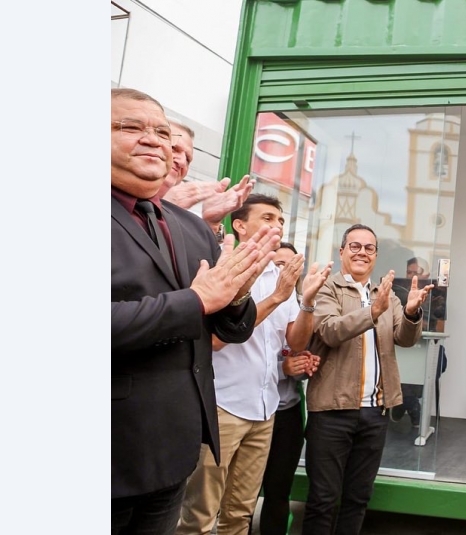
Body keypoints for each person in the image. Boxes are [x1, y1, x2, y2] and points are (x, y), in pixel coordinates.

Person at [112, 87, 278, 534]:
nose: (152, 140)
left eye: (162, 132)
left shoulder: (189, 225)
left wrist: (238, 291)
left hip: (176, 450)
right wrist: (199, 299)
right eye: (130, 127)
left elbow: (230, 326)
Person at [177, 195, 330, 535]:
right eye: (268, 218)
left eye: (280, 220)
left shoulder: (282, 277)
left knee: (241, 514)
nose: (276, 225)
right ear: (240, 225)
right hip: (222, 408)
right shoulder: (222, 269)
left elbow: (297, 345)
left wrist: (305, 301)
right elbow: (216, 339)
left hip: (265, 409)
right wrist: (276, 297)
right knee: (201, 515)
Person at [303, 224, 433, 535]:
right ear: (342, 251)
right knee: (322, 499)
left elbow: (404, 338)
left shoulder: (386, 295)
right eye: (355, 246)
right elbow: (330, 331)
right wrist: (373, 312)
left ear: (375, 255)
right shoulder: (326, 289)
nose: (362, 252)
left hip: (375, 412)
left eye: (369, 248)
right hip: (331, 411)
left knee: (358, 498)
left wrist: (413, 313)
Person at [256, 242, 319, 535]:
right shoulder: (252, 299)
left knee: (279, 492)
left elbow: (298, 349)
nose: (285, 271)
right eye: (279, 265)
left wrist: (305, 364)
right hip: (253, 413)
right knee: (241, 493)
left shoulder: (300, 305)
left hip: (288, 412)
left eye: (291, 265)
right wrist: (283, 368)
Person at [159, 119, 254, 235]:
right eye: (174, 148)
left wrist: (211, 224)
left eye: (188, 159)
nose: (182, 162)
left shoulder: (183, 217)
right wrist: (162, 209)